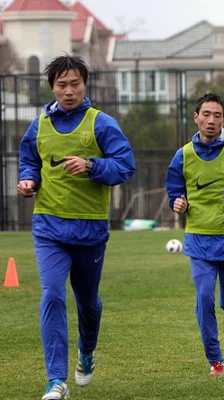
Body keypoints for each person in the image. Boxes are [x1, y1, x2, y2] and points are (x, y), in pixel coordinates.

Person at [17, 55, 136, 400]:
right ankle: (56, 381)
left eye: (74, 84)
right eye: (61, 85)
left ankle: (86, 352)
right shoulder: (39, 125)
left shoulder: (101, 124)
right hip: (48, 227)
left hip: (90, 230)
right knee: (52, 295)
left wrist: (91, 165)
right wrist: (28, 180)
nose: (68, 91)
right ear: (52, 87)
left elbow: (125, 166)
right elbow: (29, 160)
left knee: (88, 303)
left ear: (85, 85)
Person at [165, 93, 224, 376]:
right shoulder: (183, 155)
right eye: (206, 115)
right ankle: (216, 360)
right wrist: (178, 202)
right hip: (199, 240)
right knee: (203, 298)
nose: (211, 121)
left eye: (217, 115)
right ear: (196, 117)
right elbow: (174, 190)